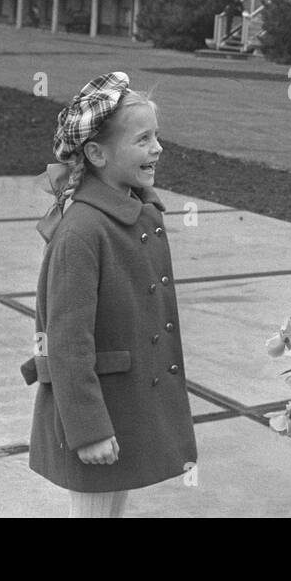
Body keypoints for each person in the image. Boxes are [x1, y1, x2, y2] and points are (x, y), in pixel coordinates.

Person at [23, 73, 197, 517]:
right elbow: (66, 340)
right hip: (98, 408)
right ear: (97, 153)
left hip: (126, 400)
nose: (157, 148)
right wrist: (87, 430)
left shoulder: (135, 210)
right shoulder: (83, 231)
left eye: (156, 136)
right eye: (143, 140)